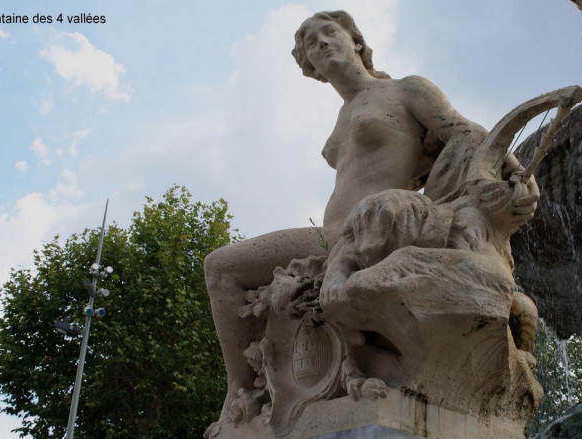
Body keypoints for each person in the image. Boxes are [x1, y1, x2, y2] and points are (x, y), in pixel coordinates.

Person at [204, 10, 536, 423]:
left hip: (364, 230)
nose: (322, 43)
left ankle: (238, 396)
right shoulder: (343, 115)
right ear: (310, 67)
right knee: (222, 270)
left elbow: (469, 134)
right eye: (311, 43)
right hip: (328, 232)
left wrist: (517, 176)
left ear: (357, 42)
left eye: (331, 33)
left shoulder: (405, 89)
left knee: (220, 266)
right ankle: (244, 391)